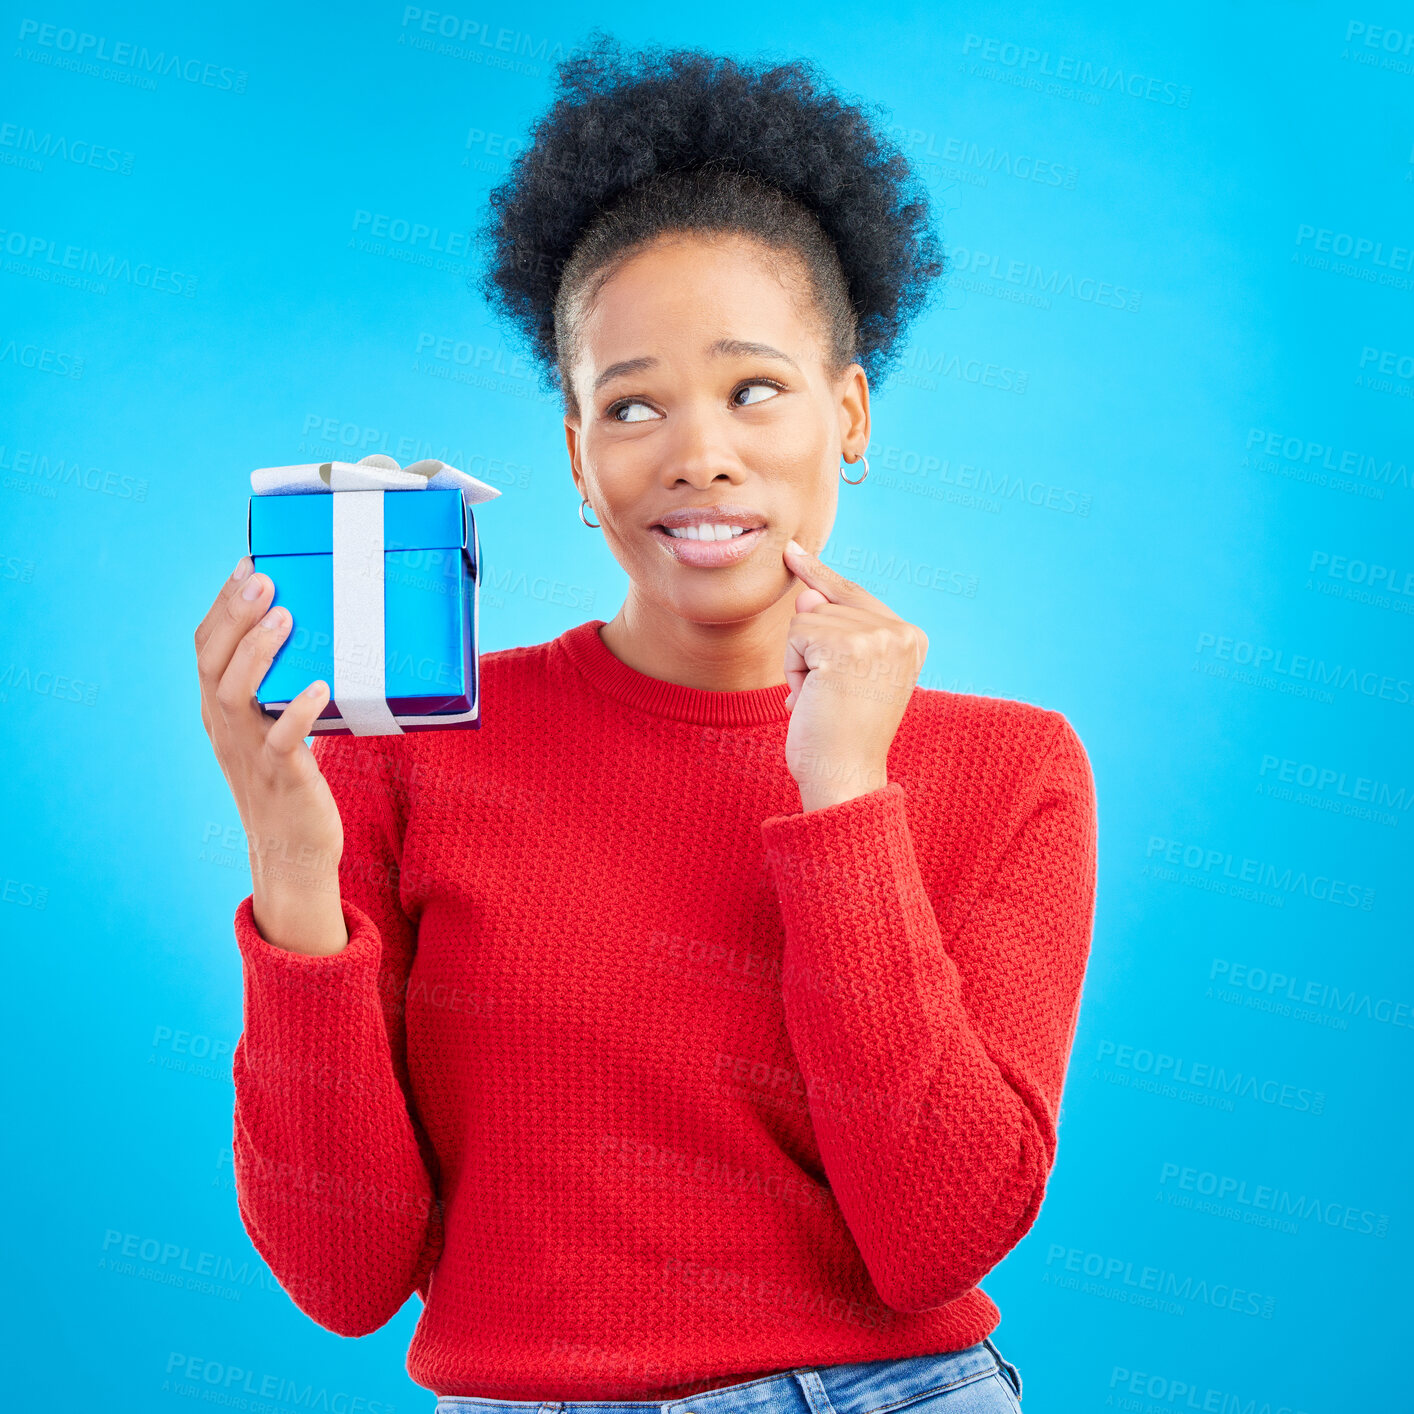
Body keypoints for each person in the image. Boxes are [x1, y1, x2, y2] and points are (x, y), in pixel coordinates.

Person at [194, 32, 1096, 1414]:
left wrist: (845, 796)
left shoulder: (1009, 768)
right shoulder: (410, 755)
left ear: (846, 414)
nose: (698, 451)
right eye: (631, 404)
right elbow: (345, 1273)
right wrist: (292, 874)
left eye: (754, 388)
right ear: (572, 453)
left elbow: (935, 1234)